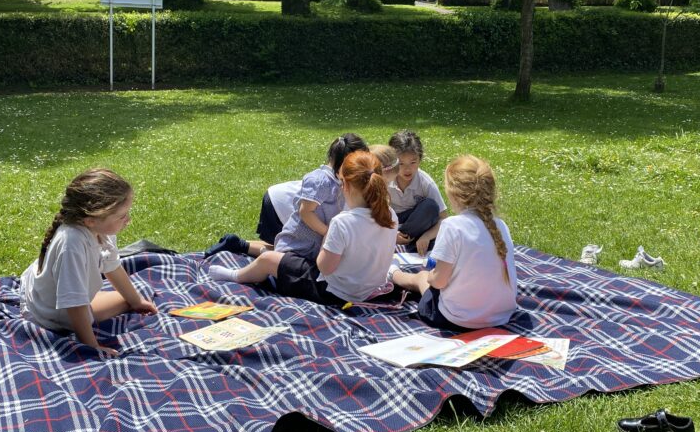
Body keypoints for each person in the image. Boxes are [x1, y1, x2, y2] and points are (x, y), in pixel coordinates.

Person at [207, 151, 397, 306]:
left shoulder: (342, 222)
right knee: (290, 258)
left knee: (268, 259)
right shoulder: (390, 216)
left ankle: (237, 276)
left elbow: (325, 267)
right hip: (370, 289)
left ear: (345, 185)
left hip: (336, 293)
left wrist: (326, 239)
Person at [20, 168, 157, 356]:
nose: (128, 220)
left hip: (46, 293)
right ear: (90, 219)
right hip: (52, 314)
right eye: (122, 216)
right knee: (123, 300)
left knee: (134, 298)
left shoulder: (101, 230)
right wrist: (92, 346)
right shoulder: (72, 243)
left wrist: (137, 301)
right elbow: (74, 304)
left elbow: (112, 266)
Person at [390, 155, 517, 329]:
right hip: (502, 316)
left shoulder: (452, 226)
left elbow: (439, 282)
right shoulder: (500, 225)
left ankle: (393, 273)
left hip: (456, 318)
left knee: (422, 278)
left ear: (453, 193)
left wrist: (430, 275)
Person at [206, 133, 367, 261]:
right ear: (344, 164)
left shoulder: (339, 180)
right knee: (284, 260)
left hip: (308, 234)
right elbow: (305, 212)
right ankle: (246, 252)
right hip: (278, 207)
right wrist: (329, 232)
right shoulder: (321, 181)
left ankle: (238, 244)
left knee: (286, 253)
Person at [387, 130, 447, 254]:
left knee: (430, 206)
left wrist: (427, 236)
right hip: (391, 223)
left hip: (416, 226)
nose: (407, 169)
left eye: (413, 162)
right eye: (401, 164)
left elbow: (443, 219)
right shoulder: (386, 180)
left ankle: (404, 245)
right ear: (393, 162)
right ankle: (400, 244)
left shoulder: (425, 182)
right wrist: (391, 234)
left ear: (420, 159)